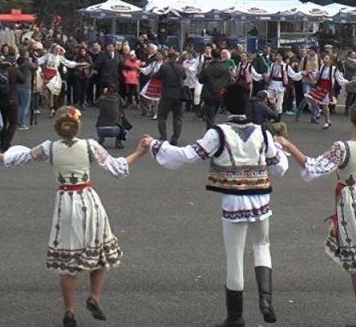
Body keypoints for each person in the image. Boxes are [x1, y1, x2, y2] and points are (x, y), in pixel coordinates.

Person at [0, 107, 148, 327]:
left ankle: (69, 311)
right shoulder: (90, 146)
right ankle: (94, 297)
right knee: (101, 252)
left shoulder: (49, 148)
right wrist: (139, 152)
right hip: (89, 199)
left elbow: (19, 159)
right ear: (77, 126)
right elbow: (117, 168)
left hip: (66, 203)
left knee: (67, 263)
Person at [143, 83, 288, 326]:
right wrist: (280, 150)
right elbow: (279, 167)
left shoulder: (218, 132)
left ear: (224, 104)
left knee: (235, 256)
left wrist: (156, 146)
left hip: (233, 201)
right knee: (262, 245)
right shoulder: (262, 132)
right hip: (261, 197)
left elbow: (188, 155)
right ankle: (266, 301)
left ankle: (236, 316)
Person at [276, 115, 356, 326]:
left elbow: (313, 167)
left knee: (355, 264)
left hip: (351, 209)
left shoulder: (343, 148)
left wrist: (287, 144)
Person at [153, 52, 188, 145]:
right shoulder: (181, 67)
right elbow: (184, 77)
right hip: (179, 95)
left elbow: (155, 75)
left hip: (166, 95)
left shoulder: (164, 67)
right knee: (178, 118)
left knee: (162, 116)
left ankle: (163, 136)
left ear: (168, 58)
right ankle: (175, 138)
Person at [95, 85, 128, 149]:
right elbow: (124, 104)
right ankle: (118, 142)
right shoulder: (117, 99)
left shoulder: (102, 98)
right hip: (115, 130)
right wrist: (117, 94)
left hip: (101, 129)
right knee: (121, 120)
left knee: (99, 119)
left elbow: (96, 103)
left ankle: (101, 139)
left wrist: (103, 94)